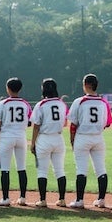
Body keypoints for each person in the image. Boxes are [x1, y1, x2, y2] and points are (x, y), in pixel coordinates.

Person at [67, 74, 112, 209]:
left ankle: (79, 200)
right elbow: (107, 123)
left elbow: (73, 124)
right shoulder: (103, 102)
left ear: (86, 85)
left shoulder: (79, 101)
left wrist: (72, 140)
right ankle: (101, 199)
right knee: (101, 169)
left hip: (82, 136)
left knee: (81, 169)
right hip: (98, 137)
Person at [0, 77, 32, 206]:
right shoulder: (25, 103)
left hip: (6, 136)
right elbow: (29, 121)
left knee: (5, 169)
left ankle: (5, 198)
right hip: (21, 136)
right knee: (21, 168)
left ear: (8, 88)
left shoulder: (3, 103)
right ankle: (22, 197)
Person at [30, 78, 68, 207]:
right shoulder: (62, 104)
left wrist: (33, 143)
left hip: (44, 138)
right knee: (59, 170)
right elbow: (65, 122)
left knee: (42, 170)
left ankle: (42, 200)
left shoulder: (41, 104)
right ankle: (62, 199)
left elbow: (36, 126)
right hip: (58, 137)